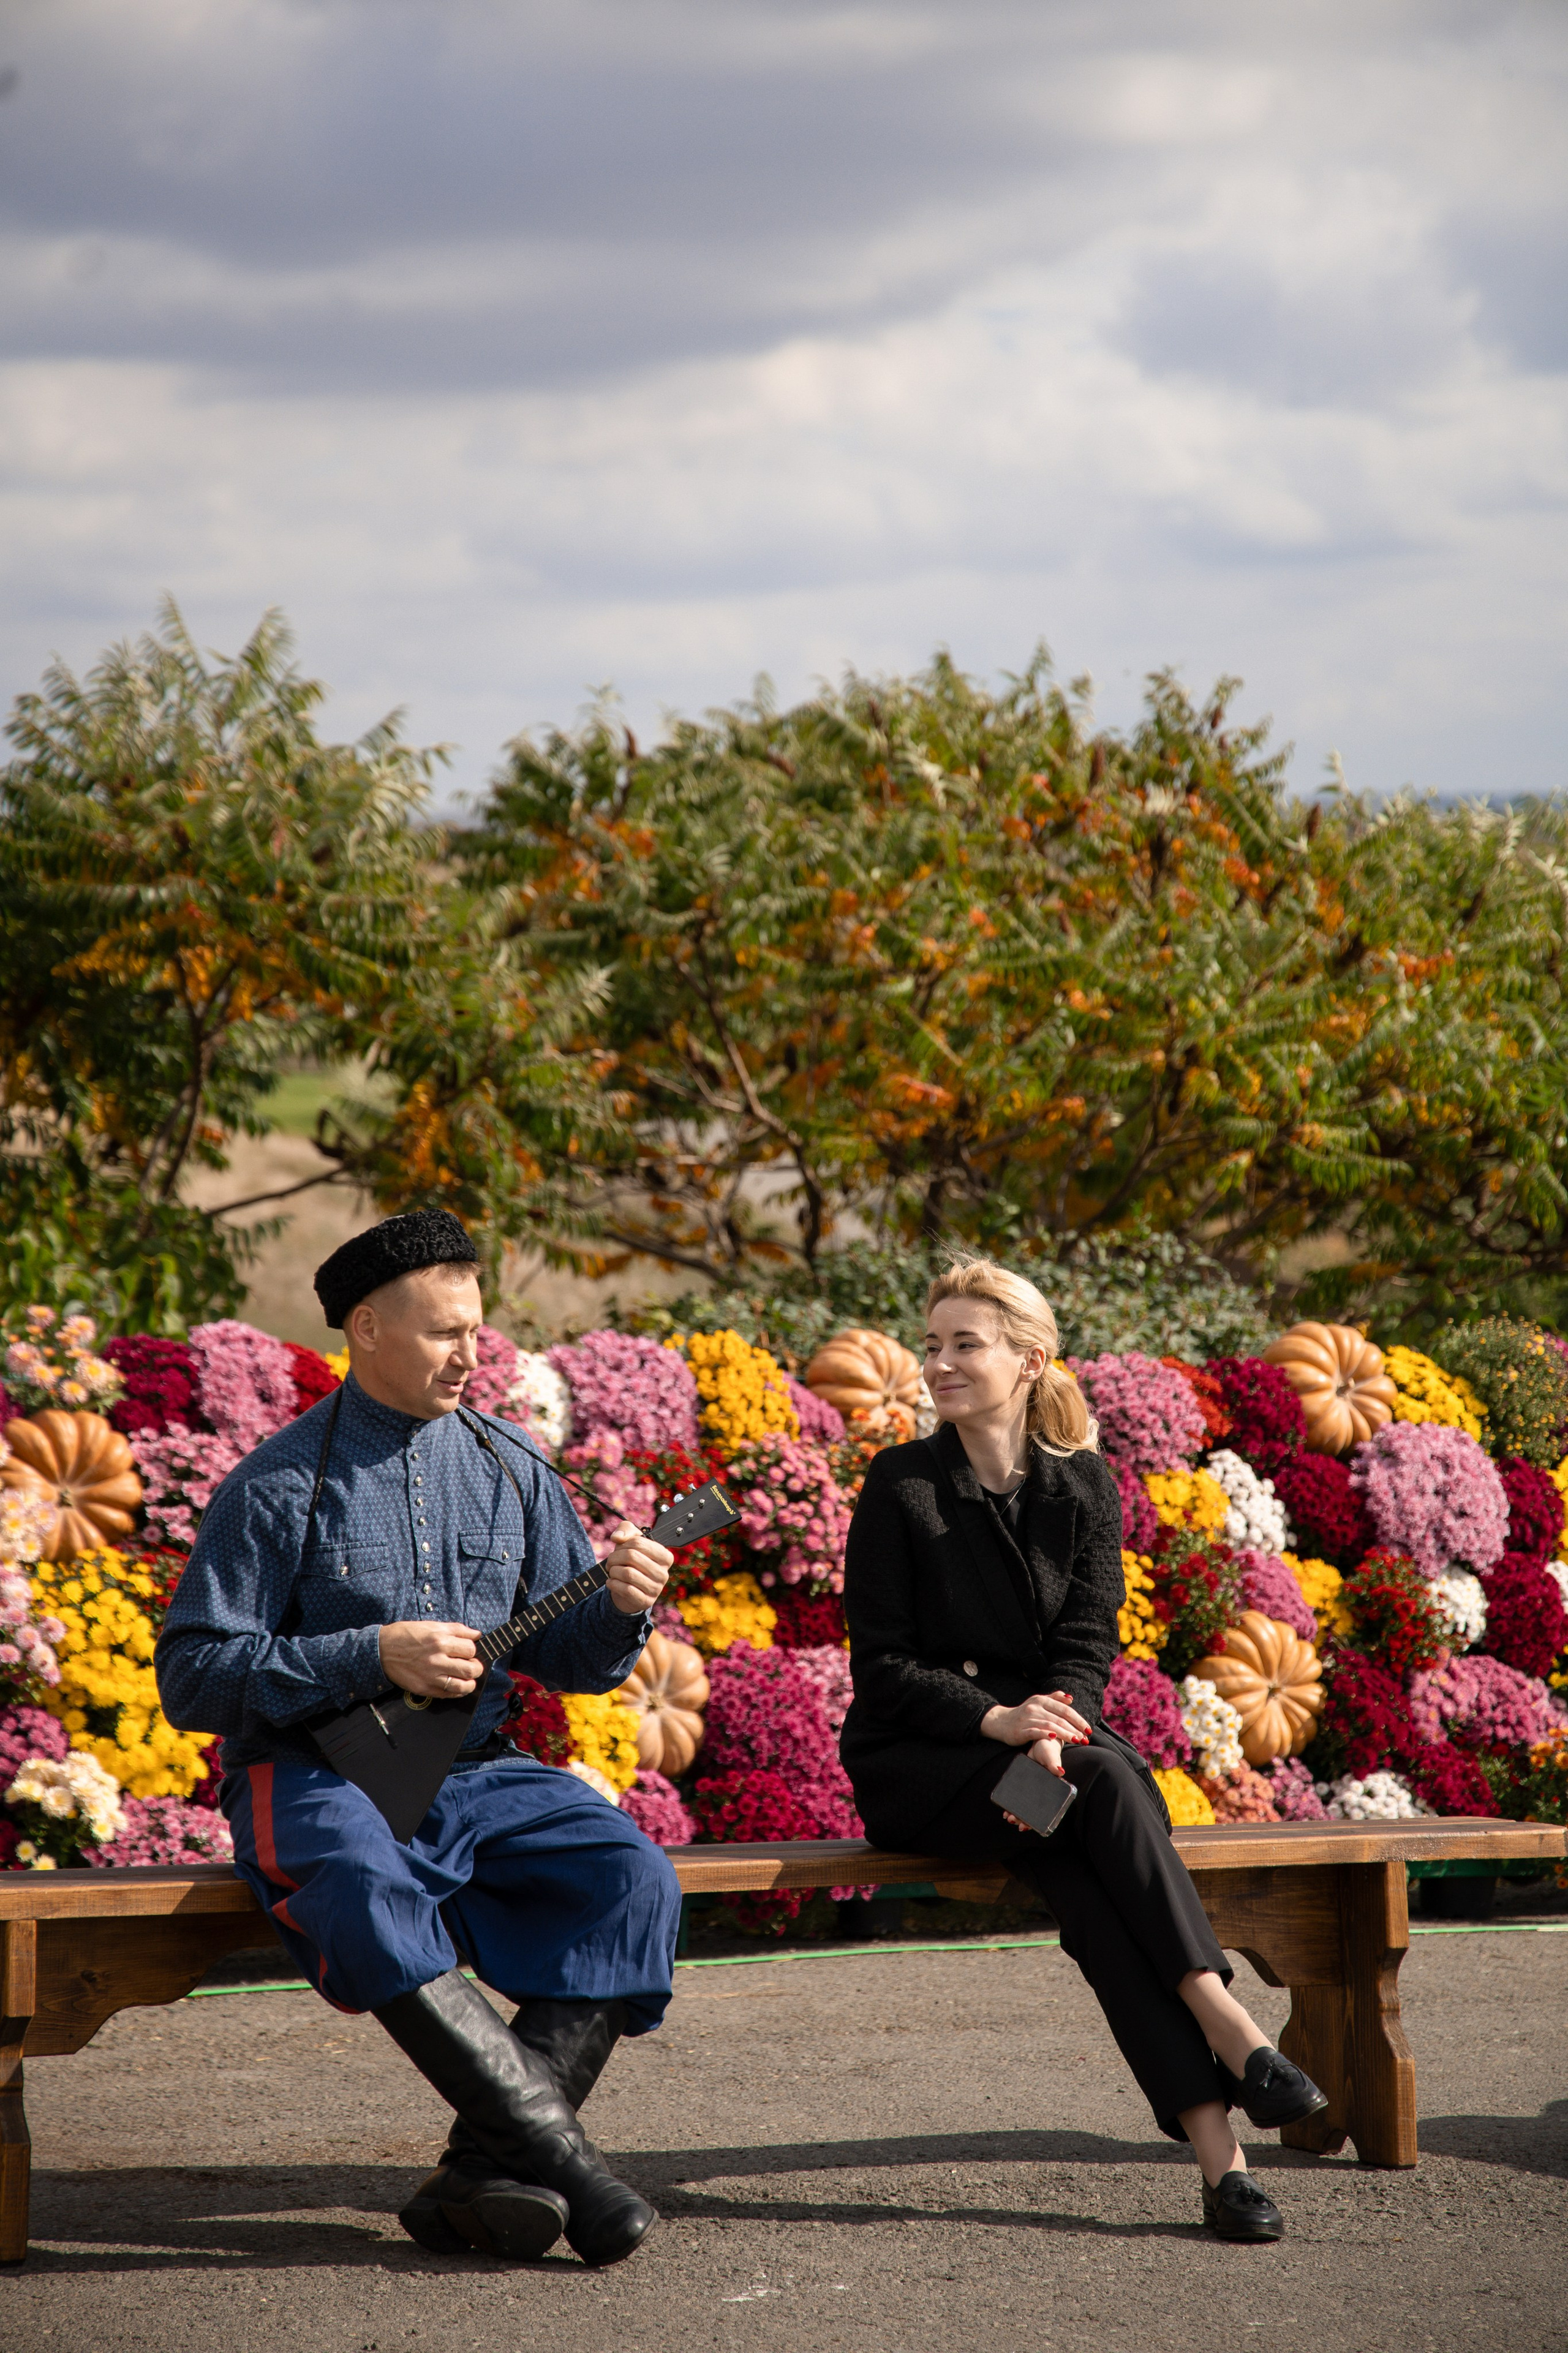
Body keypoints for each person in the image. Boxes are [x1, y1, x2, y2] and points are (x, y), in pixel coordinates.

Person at [156, 1208, 680, 2270]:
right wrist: (369, 1653)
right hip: (308, 1772)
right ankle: (566, 2170)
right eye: (445, 1332)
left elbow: (575, 1660)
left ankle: (480, 2174)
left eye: (478, 1330)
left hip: (477, 1770)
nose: (471, 1355)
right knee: (356, 1875)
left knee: (630, 1875)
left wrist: (621, 1604)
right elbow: (193, 1674)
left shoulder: (515, 1464)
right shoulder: (274, 1482)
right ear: (366, 1328)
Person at [839, 1255, 1328, 2242]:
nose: (938, 1362)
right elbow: (883, 1666)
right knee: (1104, 1777)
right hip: (929, 1766)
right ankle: (1232, 2029)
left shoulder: (1085, 1483)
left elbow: (1088, 1641)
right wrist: (1005, 1721)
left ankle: (1221, 2166)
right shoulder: (902, 1485)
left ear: (1030, 1359)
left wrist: (1052, 1722)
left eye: (963, 1344)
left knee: (1094, 1899)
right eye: (932, 1344)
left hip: (1048, 1763)